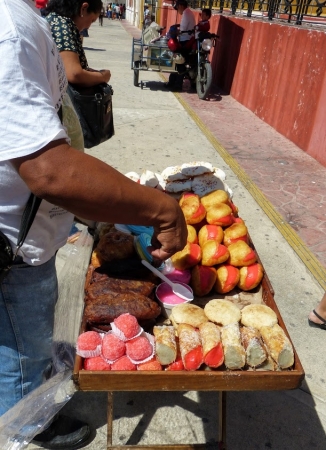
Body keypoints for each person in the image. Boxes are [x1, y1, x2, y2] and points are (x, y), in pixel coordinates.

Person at [0, 0, 187, 449]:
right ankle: (25, 429)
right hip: (13, 252)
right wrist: (161, 209)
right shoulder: (11, 26)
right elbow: (48, 169)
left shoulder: (23, 19)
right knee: (22, 355)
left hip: (22, 234)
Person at [44, 0, 111, 88]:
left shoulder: (56, 20)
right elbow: (74, 74)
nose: (88, 27)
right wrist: (103, 76)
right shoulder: (61, 26)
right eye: (92, 20)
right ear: (84, 9)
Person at [166, 0, 196, 91]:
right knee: (181, 61)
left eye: (177, 7)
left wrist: (175, 32)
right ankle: (172, 82)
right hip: (188, 39)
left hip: (185, 40)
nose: (177, 10)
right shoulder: (189, 13)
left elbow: (182, 29)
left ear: (181, 6)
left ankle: (177, 84)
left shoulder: (186, 14)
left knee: (179, 61)